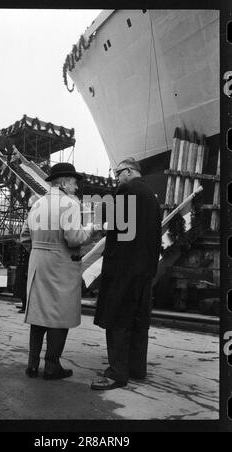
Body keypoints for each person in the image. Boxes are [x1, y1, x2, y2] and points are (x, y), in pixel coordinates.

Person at [91, 157, 162, 390]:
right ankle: (137, 369)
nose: (117, 179)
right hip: (144, 272)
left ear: (129, 171)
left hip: (123, 270)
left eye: (118, 173)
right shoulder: (152, 197)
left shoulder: (126, 191)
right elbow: (155, 238)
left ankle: (116, 374)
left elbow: (113, 230)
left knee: (118, 321)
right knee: (139, 321)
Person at [20, 163, 94, 380]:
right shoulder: (70, 204)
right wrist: (91, 230)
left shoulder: (37, 203)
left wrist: (39, 251)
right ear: (63, 182)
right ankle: (52, 366)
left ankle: (32, 365)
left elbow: (24, 236)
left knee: (38, 314)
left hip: (38, 263)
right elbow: (74, 239)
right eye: (74, 182)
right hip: (61, 265)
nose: (76, 187)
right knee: (60, 316)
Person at [13, 195, 38, 313]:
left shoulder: (33, 219)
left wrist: (32, 250)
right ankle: (25, 304)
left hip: (28, 255)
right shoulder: (33, 218)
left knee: (25, 282)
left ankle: (26, 306)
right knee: (23, 282)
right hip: (26, 255)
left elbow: (25, 237)